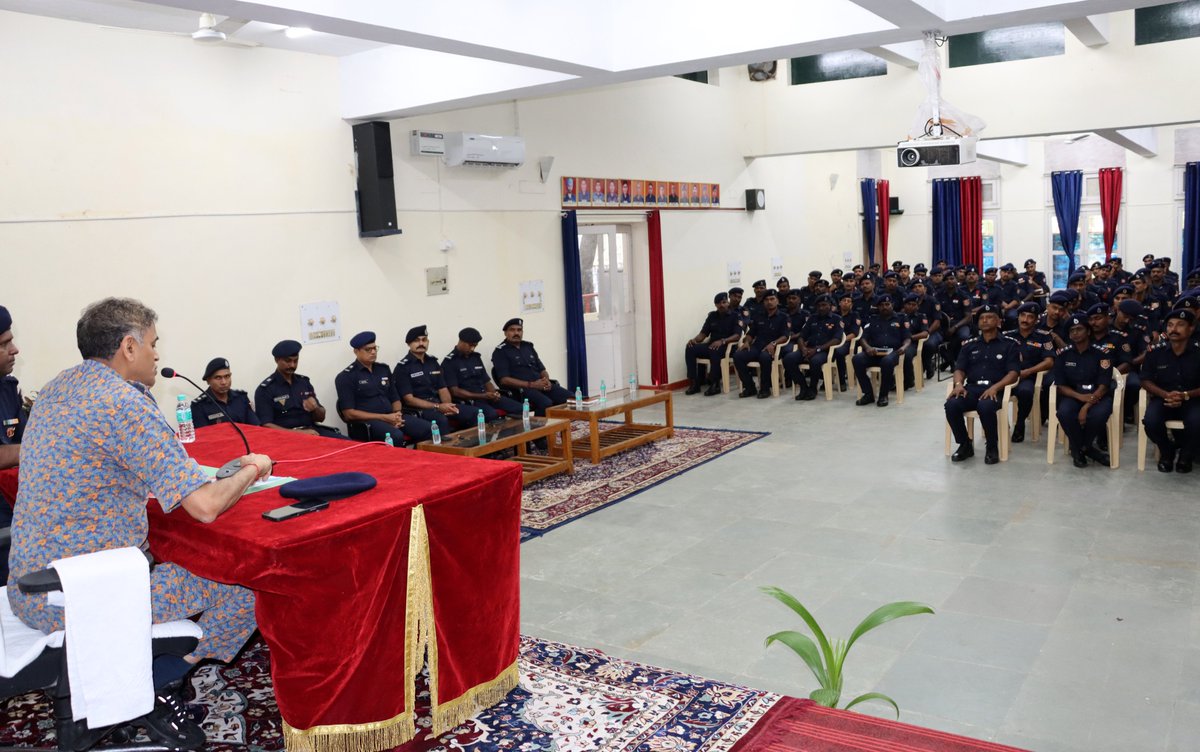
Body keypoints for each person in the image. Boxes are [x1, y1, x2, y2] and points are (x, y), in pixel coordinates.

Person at [8, 298, 270, 746]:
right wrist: (252, 469)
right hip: (84, 595)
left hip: (28, 583)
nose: (157, 354)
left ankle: (142, 678)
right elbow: (205, 506)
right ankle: (156, 684)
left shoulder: (56, 387)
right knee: (245, 578)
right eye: (153, 343)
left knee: (177, 555)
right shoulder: (122, 403)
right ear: (129, 346)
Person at [944, 304, 1021, 464]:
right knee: (951, 405)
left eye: (990, 317)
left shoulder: (1010, 344)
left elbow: (1013, 373)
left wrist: (995, 387)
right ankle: (965, 444)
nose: (985, 320)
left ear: (999, 321)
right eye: (982, 318)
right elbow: (959, 369)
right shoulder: (969, 345)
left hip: (996, 389)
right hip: (972, 388)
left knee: (985, 406)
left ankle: (992, 446)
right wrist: (958, 384)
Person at [1141, 309, 1200, 472]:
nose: (1174, 329)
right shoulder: (1155, 352)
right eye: (1170, 325)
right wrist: (1165, 394)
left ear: (1191, 329)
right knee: (1150, 422)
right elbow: (1145, 379)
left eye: (1180, 325)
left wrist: (1185, 395)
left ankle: (1186, 456)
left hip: (1192, 399)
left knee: (1197, 422)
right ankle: (1167, 452)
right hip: (1163, 398)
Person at [1054, 314, 1115, 468]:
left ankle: (1078, 449)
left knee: (1098, 415)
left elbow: (1104, 384)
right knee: (1064, 413)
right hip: (1073, 395)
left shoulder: (1102, 353)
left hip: (1098, 395)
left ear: (1088, 331)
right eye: (1072, 331)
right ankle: (1087, 449)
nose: (1075, 333)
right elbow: (1060, 385)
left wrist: (1086, 406)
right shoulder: (1063, 354)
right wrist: (1080, 398)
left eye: (1079, 329)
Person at [334, 331, 411, 444]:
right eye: (368, 349)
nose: (373, 352)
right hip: (370, 422)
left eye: (375, 348)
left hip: (392, 417)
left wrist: (397, 415)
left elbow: (395, 397)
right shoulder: (346, 377)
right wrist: (385, 418)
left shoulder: (383, 369)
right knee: (396, 436)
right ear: (356, 351)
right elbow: (349, 414)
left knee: (427, 427)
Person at [255, 340, 344, 438]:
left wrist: (316, 408)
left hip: (312, 431)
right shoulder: (265, 389)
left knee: (349, 444)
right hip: (285, 437)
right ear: (277, 360)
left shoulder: (304, 382)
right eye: (288, 361)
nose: (292, 365)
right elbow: (266, 426)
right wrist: (298, 433)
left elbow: (320, 418)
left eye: (295, 361)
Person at [491, 318, 572, 414]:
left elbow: (542, 369)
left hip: (540, 385)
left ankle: (563, 425)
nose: (516, 333)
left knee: (570, 398)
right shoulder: (500, 352)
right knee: (546, 403)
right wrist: (532, 385)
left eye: (519, 330)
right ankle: (542, 427)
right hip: (523, 389)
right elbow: (504, 380)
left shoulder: (528, 346)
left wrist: (546, 380)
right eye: (512, 330)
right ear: (505, 333)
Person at [396, 325, 462, 437]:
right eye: (416, 341)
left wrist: (447, 405)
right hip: (420, 408)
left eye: (424, 340)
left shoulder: (433, 362)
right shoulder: (403, 367)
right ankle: (444, 452)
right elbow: (409, 400)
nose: (421, 343)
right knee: (441, 420)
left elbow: (443, 388)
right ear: (408, 344)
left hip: (439, 405)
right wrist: (438, 407)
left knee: (474, 413)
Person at [444, 327, 523, 420]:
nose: (472, 349)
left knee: (521, 408)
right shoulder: (449, 362)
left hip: (486, 397)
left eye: (475, 345)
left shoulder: (476, 357)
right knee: (492, 415)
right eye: (470, 345)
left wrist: (494, 394)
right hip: (471, 401)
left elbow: (486, 381)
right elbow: (455, 391)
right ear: (461, 341)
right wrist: (483, 396)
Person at [1003, 303, 1055, 443]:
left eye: (1030, 317)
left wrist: (1028, 371)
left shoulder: (1043, 337)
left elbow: (1049, 361)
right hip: (1005, 377)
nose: (1025, 319)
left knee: (1026, 392)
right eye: (1023, 315)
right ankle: (999, 424)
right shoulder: (1007, 336)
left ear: (1036, 320)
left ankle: (1020, 424)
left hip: (1027, 378)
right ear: (1018, 317)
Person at [852, 296, 910, 407]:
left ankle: (883, 395)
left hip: (893, 353)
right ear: (878, 307)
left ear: (892, 305)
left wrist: (904, 347)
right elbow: (863, 338)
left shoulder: (901, 318)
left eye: (887, 304)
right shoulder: (872, 319)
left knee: (886, 362)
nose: (884, 307)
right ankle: (868, 394)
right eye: (882, 305)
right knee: (857, 359)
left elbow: (907, 338)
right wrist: (868, 348)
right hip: (874, 352)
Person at [783, 294, 843, 400]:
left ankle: (813, 388)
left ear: (830, 305)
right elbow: (802, 336)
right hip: (808, 349)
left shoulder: (837, 319)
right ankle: (803, 386)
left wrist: (817, 349)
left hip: (825, 351)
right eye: (819, 305)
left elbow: (837, 339)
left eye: (824, 305)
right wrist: (803, 349)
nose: (821, 308)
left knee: (815, 361)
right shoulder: (812, 318)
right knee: (788, 359)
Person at [733, 289, 789, 399]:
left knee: (764, 357)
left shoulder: (783, 317)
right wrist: (747, 341)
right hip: (757, 346)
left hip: (774, 348)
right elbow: (751, 333)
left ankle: (765, 388)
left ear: (777, 301)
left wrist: (773, 343)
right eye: (767, 300)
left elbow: (785, 336)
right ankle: (750, 387)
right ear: (763, 302)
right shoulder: (758, 316)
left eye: (772, 299)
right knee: (738, 355)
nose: (769, 302)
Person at [685, 292, 742, 395]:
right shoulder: (712, 316)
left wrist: (723, 341)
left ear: (728, 303)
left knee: (714, 350)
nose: (722, 305)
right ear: (715, 305)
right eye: (719, 303)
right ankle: (694, 382)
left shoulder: (735, 315)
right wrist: (695, 340)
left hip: (728, 346)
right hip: (712, 345)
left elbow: (737, 335)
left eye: (724, 302)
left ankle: (715, 384)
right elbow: (704, 333)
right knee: (690, 348)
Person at [191, 358, 261, 429]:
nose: (224, 382)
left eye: (227, 376)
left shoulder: (241, 398)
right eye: (218, 378)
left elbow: (255, 427)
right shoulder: (199, 406)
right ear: (208, 380)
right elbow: (203, 436)